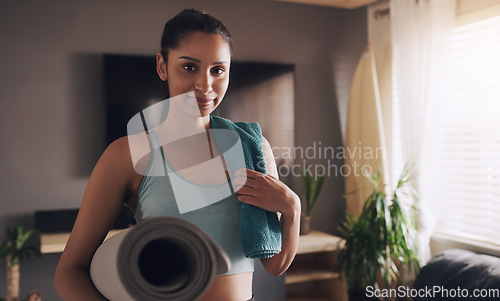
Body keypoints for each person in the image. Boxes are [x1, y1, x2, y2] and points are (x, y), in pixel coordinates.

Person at [54, 9, 300, 301]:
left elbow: (274, 265)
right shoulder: (128, 155)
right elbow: (70, 272)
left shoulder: (253, 150)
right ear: (162, 65)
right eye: (189, 67)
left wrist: (292, 208)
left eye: (217, 70)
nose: (205, 86)